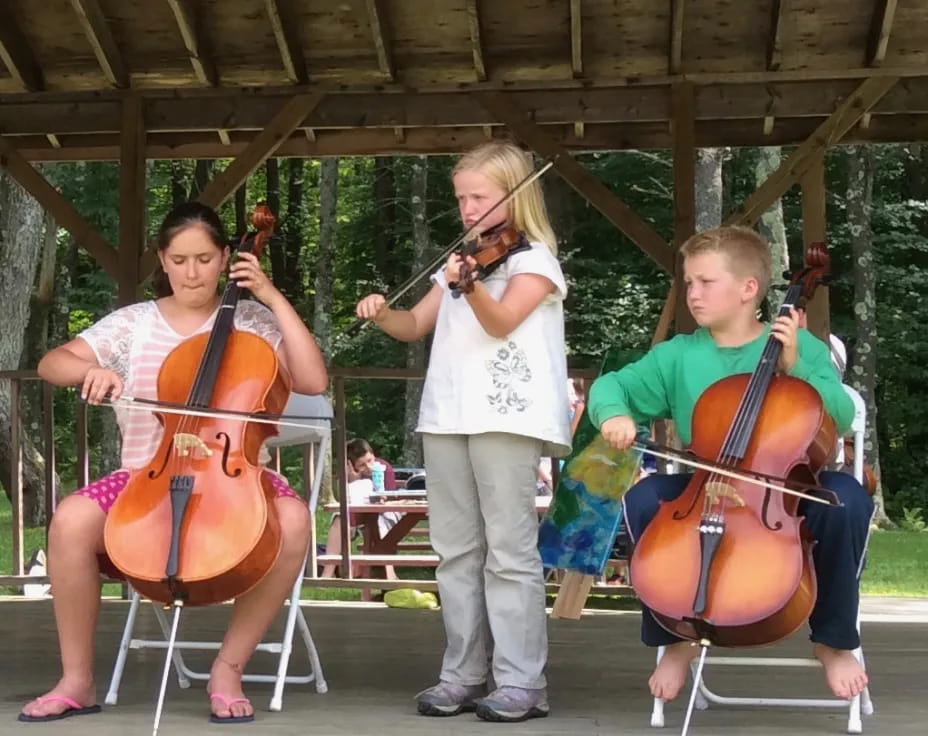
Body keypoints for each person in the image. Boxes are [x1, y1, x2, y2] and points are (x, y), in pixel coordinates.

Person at [20, 202, 328, 724]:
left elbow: (313, 381)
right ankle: (77, 679)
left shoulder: (253, 324)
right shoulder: (134, 324)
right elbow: (54, 362)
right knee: (71, 519)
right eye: (180, 259)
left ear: (227, 257)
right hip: (144, 475)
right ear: (163, 260)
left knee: (294, 520)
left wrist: (271, 296)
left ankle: (228, 668)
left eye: (205, 259)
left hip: (234, 477)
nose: (192, 272)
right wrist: (89, 373)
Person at [588, 226, 873, 705]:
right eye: (689, 282)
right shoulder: (679, 355)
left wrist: (796, 364)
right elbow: (611, 386)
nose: (693, 293)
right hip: (703, 485)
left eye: (705, 282)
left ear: (748, 290)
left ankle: (834, 638)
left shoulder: (802, 348)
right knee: (642, 499)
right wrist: (614, 414)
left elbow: (839, 414)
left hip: (783, 487)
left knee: (846, 503)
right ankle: (674, 635)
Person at [355, 141, 571, 722]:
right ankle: (463, 673)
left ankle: (523, 681)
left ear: (516, 194)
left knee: (509, 551)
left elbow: (501, 322)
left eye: (480, 196)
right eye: (461, 198)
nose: (469, 209)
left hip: (507, 415)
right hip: (447, 415)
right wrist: (381, 313)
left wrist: (470, 284)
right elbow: (414, 325)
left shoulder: (534, 262)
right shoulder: (461, 260)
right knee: (455, 551)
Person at [321, 438, 402, 579]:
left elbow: (388, 499)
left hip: (386, 512)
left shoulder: (383, 468)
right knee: (340, 519)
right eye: (362, 465)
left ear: (373, 454)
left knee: (379, 524)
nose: (369, 467)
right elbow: (344, 500)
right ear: (352, 466)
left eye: (370, 460)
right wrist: (354, 482)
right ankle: (328, 572)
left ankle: (389, 573)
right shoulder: (349, 475)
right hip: (359, 512)